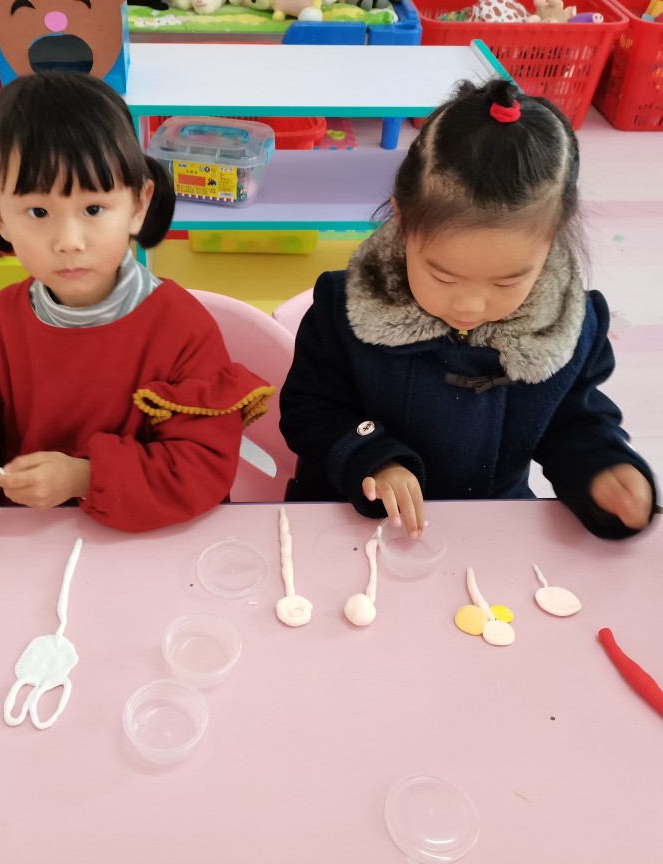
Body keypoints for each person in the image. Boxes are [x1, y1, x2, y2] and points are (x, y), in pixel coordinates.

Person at [0, 71, 273, 532]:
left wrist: (85, 477)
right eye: (38, 212)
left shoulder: (181, 329)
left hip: (142, 537)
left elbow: (202, 468)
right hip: (23, 536)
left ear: (138, 205)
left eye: (93, 209)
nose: (68, 241)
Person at [279, 79, 657, 541]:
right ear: (403, 220)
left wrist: (602, 467)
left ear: (553, 237)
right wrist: (371, 456)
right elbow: (310, 411)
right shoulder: (342, 310)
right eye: (443, 277)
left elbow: (574, 423)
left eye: (507, 282)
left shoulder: (569, 329)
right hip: (353, 521)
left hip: (490, 528)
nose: (470, 305)